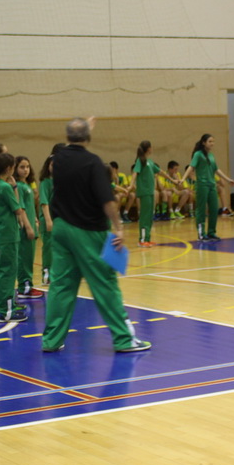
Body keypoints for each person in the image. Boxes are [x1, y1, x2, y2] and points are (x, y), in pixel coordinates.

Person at [42, 118, 150, 354]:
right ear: (88, 138)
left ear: (68, 136)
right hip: (88, 231)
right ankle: (124, 339)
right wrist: (118, 227)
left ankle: (51, 340)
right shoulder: (93, 163)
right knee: (105, 284)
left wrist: (83, 128)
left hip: (61, 230)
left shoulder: (58, 160)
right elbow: (107, 201)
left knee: (61, 286)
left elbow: (71, 146)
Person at [0, 153, 33, 323]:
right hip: (8, 234)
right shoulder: (5, 187)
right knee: (8, 271)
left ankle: (1, 303)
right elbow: (18, 208)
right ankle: (5, 311)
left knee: (0, 270)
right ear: (9, 169)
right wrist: (14, 188)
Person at [182, 133, 234, 242]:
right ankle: (201, 233)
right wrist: (183, 179)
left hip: (212, 185)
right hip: (202, 185)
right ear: (203, 143)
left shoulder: (211, 155)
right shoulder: (198, 154)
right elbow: (191, 167)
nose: (212, 143)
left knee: (214, 209)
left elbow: (216, 169)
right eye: (210, 141)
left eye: (213, 141)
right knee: (201, 209)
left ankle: (211, 232)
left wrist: (228, 179)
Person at [132, 141, 178, 247]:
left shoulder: (150, 162)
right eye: (151, 147)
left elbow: (161, 172)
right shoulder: (140, 160)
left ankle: (147, 239)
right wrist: (131, 185)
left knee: (149, 216)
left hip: (150, 192)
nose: (152, 149)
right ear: (148, 148)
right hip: (144, 192)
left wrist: (173, 180)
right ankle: (142, 240)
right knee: (144, 216)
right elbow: (135, 172)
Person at [14, 155, 44, 300]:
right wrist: (28, 226)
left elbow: (30, 207)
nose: (25, 170)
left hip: (32, 224)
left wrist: (35, 219)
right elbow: (21, 209)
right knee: (24, 258)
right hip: (25, 228)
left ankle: (28, 284)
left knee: (29, 257)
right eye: (22, 167)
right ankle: (24, 287)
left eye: (27, 167)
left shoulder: (27, 185)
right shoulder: (18, 187)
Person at [38, 150, 59, 285]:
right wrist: (48, 220)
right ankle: (47, 272)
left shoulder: (61, 181)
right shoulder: (45, 182)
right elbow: (44, 203)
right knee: (48, 247)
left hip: (59, 220)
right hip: (48, 220)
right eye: (53, 165)